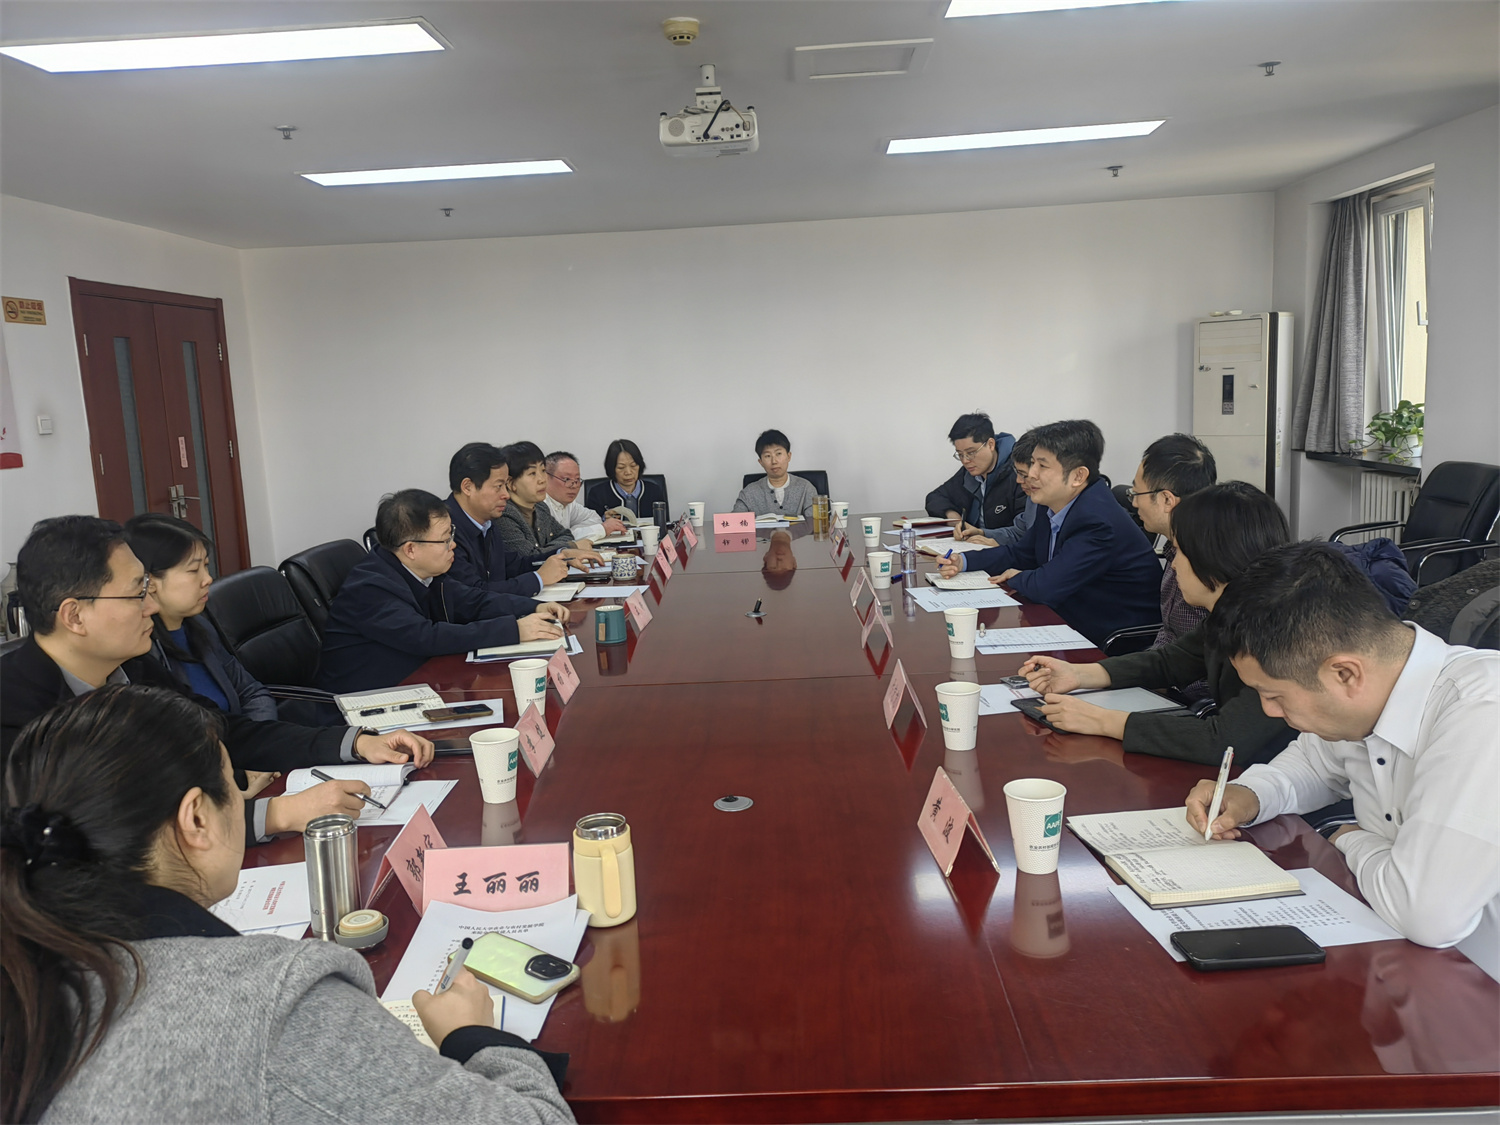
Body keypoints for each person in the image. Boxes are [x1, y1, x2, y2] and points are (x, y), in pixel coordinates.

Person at [0, 685, 574, 1124]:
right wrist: (473, 1037)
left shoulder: (27, 966)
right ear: (197, 818)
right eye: (235, 785)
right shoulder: (268, 1003)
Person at [1, 516, 430, 843]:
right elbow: (100, 833)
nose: (151, 606)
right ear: (74, 616)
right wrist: (274, 815)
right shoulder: (15, 717)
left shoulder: (131, 667)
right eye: (137, 593)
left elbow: (223, 729)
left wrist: (355, 743)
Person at [1184, 542, 1499, 980]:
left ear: (1345, 673)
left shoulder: (1482, 711)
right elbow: (1313, 764)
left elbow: (1427, 914)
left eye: (1274, 696)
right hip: (1399, 959)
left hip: (1475, 985)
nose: (1269, 711)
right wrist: (1248, 795)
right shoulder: (1374, 695)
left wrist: (1350, 837)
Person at [1020, 482, 1296, 766]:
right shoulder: (1232, 612)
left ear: (1212, 555)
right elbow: (1171, 661)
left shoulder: (1281, 635)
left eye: (1179, 551)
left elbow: (1222, 741)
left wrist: (1101, 720)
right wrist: (1079, 674)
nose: (1173, 566)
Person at [318, 490, 569, 693]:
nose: (453, 545)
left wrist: (533, 607)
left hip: (418, 683)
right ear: (410, 549)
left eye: (452, 534)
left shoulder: (423, 571)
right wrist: (513, 630)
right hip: (364, 703)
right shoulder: (369, 588)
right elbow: (425, 637)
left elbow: (472, 600)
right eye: (445, 539)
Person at [938, 420, 1160, 645]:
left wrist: (1017, 577)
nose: (1031, 474)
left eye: (1042, 466)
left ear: (1078, 476)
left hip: (1110, 640)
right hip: (1067, 621)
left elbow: (1045, 587)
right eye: (1032, 463)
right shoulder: (1053, 503)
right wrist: (964, 561)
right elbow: (1021, 553)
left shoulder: (1097, 521)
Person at [123, 512, 279, 722]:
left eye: (205, 566)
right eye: (193, 570)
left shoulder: (200, 627)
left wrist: (259, 736)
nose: (208, 579)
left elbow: (252, 692)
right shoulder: (141, 652)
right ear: (149, 583)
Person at [444, 442, 571, 597]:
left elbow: (513, 565)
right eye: (498, 486)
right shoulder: (445, 531)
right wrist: (538, 579)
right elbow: (475, 594)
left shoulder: (487, 522)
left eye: (505, 485)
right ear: (467, 487)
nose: (506, 495)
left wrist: (561, 554)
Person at [1128, 434, 1217, 649]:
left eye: (1137, 493)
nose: (1134, 503)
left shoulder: (1208, 561)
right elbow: (1168, 633)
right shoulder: (1175, 546)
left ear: (1167, 499)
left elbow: (1200, 655)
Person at [923, 413, 1027, 541]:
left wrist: (984, 534)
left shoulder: (1018, 473)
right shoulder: (970, 472)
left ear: (990, 444)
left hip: (1003, 548)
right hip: (972, 544)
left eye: (971, 453)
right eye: (960, 454)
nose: (965, 461)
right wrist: (954, 518)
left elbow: (1024, 531)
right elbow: (935, 497)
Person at [498, 443, 605, 566]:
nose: (542, 479)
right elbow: (529, 559)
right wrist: (570, 547)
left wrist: (551, 549)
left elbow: (566, 535)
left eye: (543, 471)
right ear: (510, 483)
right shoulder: (504, 514)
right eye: (532, 473)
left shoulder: (540, 508)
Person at [956, 430, 1039, 549]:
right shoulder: (1034, 501)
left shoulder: (1064, 513)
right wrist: (982, 533)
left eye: (1024, 475)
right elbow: (1019, 533)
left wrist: (1004, 549)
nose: (1019, 480)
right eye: (960, 454)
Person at [733, 429, 818, 518]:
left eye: (778, 454)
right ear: (761, 462)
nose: (774, 461)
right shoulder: (748, 493)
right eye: (768, 456)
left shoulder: (806, 489)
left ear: (789, 456)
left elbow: (815, 523)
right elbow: (734, 522)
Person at [545, 450, 627, 542]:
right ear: (545, 478)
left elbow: (594, 517)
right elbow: (554, 541)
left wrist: (573, 532)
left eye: (577, 479)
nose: (574, 485)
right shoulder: (539, 506)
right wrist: (601, 529)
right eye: (566, 479)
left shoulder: (569, 504)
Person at [583, 438, 668, 522]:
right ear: (612, 469)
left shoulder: (654, 490)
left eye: (633, 465)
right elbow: (589, 526)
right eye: (621, 467)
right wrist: (603, 519)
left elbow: (665, 523)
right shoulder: (597, 494)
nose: (628, 472)